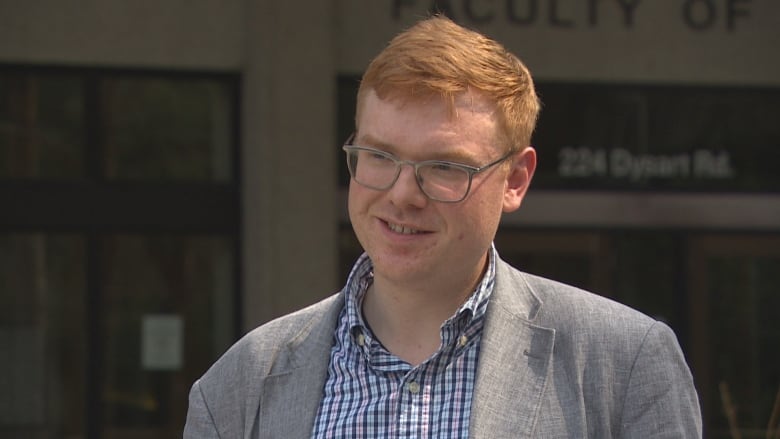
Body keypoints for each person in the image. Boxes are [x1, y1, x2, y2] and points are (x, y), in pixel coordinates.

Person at [184, 15, 701, 438]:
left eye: (446, 166)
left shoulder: (624, 365)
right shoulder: (239, 385)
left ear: (516, 180)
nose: (402, 193)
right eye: (380, 156)